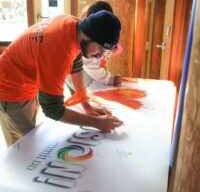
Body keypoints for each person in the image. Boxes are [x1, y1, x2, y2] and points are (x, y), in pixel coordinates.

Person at [0, 10, 123, 146]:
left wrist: (85, 104)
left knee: (30, 137)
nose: (99, 55)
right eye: (100, 49)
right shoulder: (57, 52)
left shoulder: (75, 26)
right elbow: (53, 109)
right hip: (9, 88)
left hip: (25, 79)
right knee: (23, 148)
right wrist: (97, 123)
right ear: (89, 37)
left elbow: (76, 65)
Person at [66, 1, 122, 96]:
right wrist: (108, 79)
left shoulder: (92, 39)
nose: (100, 54)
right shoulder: (82, 43)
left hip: (82, 75)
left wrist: (112, 47)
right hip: (77, 77)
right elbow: (90, 66)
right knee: (80, 99)